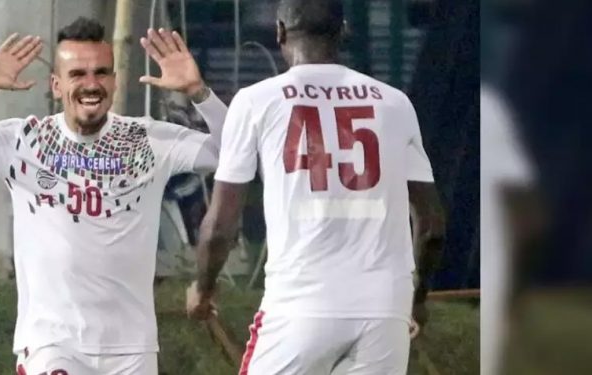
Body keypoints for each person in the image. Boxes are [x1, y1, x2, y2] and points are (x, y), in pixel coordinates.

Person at [0, 17, 228, 375]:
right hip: (52, 345)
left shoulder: (147, 140)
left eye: (101, 73)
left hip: (132, 349)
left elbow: (236, 153)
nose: (91, 84)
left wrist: (199, 93)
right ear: (57, 85)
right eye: (78, 74)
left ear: (114, 80)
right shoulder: (22, 140)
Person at [185, 1, 445, 374]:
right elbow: (432, 225)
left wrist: (203, 288)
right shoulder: (395, 104)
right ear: (343, 31)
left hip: (301, 304)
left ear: (279, 32)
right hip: (384, 306)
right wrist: (417, 299)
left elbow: (221, 226)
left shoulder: (257, 101)